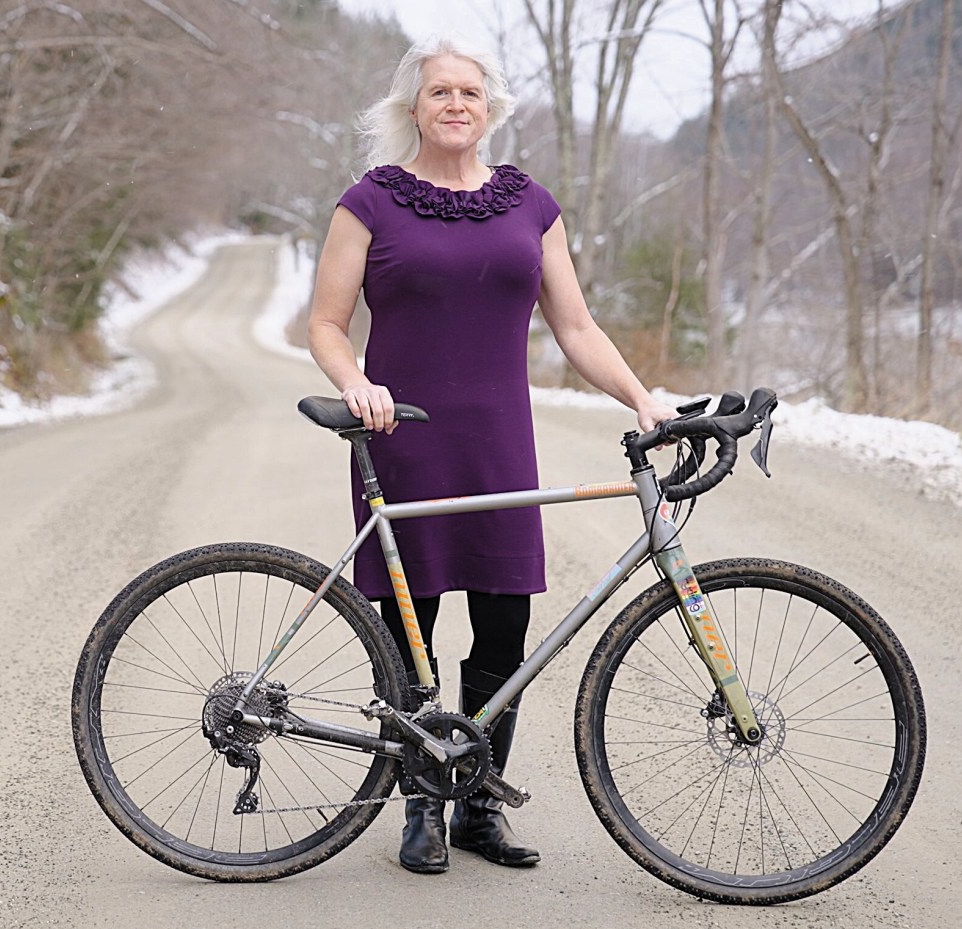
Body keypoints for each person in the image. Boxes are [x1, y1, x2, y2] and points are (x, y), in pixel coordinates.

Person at [306, 36, 675, 876]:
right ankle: (420, 810)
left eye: (470, 91)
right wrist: (357, 380)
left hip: (501, 445)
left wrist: (644, 397)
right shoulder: (369, 203)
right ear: (414, 109)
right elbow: (325, 324)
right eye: (439, 92)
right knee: (414, 631)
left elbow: (575, 327)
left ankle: (478, 802)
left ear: (490, 106)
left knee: (504, 625)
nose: (456, 103)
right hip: (404, 436)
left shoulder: (529, 205)